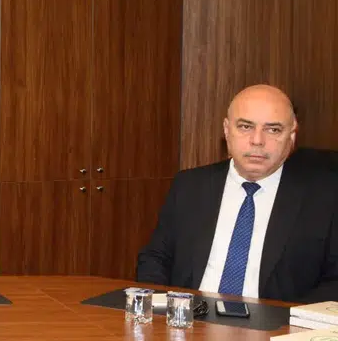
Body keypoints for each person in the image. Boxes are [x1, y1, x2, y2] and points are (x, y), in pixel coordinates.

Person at [137, 84, 338, 302]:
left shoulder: (324, 197)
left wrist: (290, 318)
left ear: (291, 135)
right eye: (245, 127)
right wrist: (162, 309)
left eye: (273, 130)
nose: (257, 140)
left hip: (275, 319)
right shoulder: (190, 185)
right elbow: (156, 258)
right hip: (191, 314)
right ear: (226, 130)